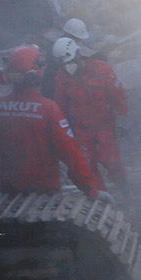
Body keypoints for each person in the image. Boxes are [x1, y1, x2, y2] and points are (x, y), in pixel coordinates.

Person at [0, 44, 111, 203]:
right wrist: (90, 189)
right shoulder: (48, 109)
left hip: (7, 193)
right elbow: (71, 155)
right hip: (43, 195)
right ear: (35, 74)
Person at [51, 36, 129, 197]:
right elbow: (60, 106)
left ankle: (125, 191)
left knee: (112, 162)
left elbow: (118, 95)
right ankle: (102, 199)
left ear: (78, 54)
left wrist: (123, 119)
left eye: (70, 61)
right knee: (87, 167)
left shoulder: (102, 69)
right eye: (64, 64)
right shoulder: (61, 78)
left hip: (104, 126)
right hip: (81, 129)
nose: (68, 67)